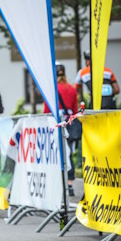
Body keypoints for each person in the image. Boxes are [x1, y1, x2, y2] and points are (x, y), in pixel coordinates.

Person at [44, 61, 78, 196]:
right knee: (68, 154)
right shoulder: (72, 89)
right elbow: (75, 110)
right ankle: (70, 185)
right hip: (69, 124)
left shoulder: (52, 89)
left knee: (56, 155)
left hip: (55, 124)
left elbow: (47, 110)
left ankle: (59, 184)